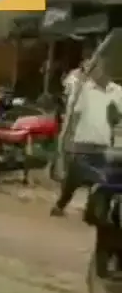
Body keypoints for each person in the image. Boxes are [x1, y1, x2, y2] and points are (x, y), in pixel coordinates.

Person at [52, 62, 122, 216]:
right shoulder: (84, 90)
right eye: (89, 70)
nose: (92, 73)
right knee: (73, 178)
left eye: (94, 69)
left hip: (103, 144)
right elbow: (74, 115)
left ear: (103, 69)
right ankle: (60, 205)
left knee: (101, 179)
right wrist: (68, 139)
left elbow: (118, 117)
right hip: (82, 142)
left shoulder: (117, 92)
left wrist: (115, 118)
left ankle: (92, 211)